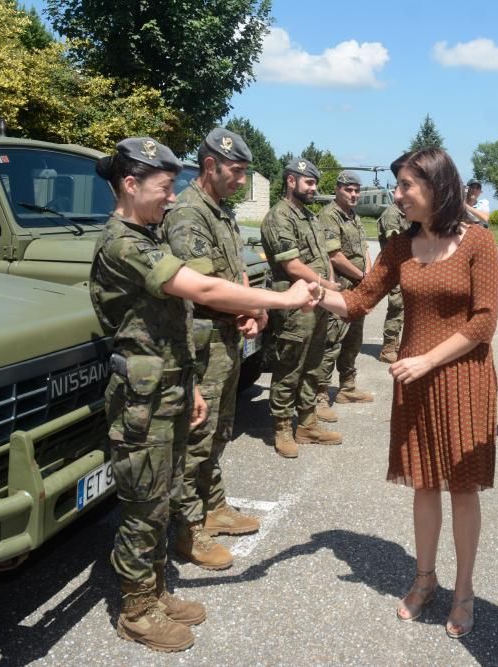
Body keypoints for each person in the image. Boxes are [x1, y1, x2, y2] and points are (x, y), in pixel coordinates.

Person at [90, 137, 316, 652]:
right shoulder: (122, 244)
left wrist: (190, 384)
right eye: (164, 187)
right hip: (142, 400)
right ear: (131, 184)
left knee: (163, 492)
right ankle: (136, 608)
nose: (171, 198)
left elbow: (174, 325)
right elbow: (205, 291)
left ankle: (155, 591)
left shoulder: (144, 235)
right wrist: (281, 298)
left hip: (169, 386)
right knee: (143, 505)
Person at [317, 148, 498, 639]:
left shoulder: (478, 243)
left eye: (405, 186)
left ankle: (464, 591)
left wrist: (426, 359)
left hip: (462, 378)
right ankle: (424, 579)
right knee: (423, 482)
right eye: (397, 185)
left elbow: (484, 322)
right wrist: (313, 293)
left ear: (436, 188)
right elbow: (357, 302)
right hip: (415, 382)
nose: (396, 195)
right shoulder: (399, 246)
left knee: (462, 487)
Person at [163, 128, 262, 572]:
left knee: (220, 429)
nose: (241, 181)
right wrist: (251, 306)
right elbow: (203, 287)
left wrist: (248, 307)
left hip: (226, 336)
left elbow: (234, 272)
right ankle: (187, 530)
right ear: (210, 165)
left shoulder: (220, 211)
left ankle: (214, 504)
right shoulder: (187, 214)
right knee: (196, 437)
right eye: (236, 172)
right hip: (200, 341)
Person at [261, 158, 343, 458]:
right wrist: (327, 284)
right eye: (309, 182)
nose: (314, 188)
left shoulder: (309, 217)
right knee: (290, 365)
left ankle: (307, 423)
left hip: (318, 301)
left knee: (313, 364)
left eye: (315, 182)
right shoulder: (278, 217)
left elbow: (324, 256)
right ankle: (282, 425)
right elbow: (291, 264)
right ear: (291, 181)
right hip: (295, 305)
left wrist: (328, 285)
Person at [314, 169, 375, 418]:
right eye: (348, 189)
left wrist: (368, 274)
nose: (353, 194)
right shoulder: (330, 216)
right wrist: (362, 277)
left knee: (354, 339)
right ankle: (319, 395)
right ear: (338, 190)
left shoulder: (353, 216)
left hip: (357, 289)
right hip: (340, 290)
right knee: (332, 341)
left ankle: (347, 386)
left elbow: (363, 249)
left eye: (356, 190)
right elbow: (334, 255)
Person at [375, 198, 410, 363]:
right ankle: (388, 348)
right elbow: (394, 239)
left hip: (406, 267)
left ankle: (395, 344)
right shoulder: (392, 213)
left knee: (403, 308)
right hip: (393, 267)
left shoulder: (407, 213)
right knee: (397, 307)